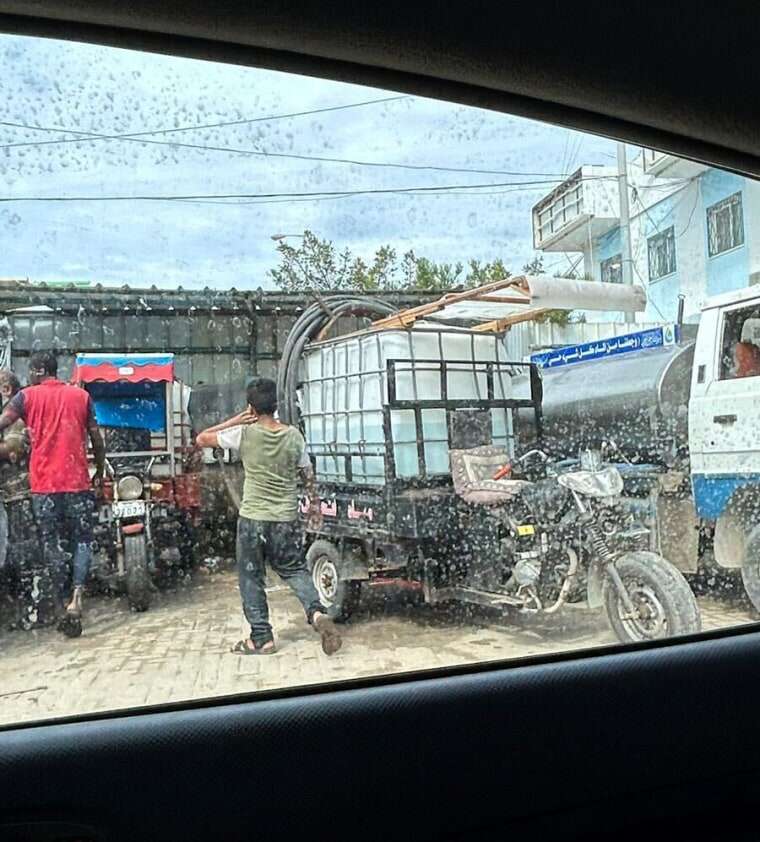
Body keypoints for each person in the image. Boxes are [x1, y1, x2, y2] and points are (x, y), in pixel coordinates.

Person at [196, 377, 342, 656]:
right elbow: (308, 475)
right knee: (294, 569)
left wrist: (236, 420)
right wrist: (313, 506)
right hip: (285, 518)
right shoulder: (294, 436)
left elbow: (201, 438)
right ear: (276, 405)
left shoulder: (244, 434)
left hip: (253, 519)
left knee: (251, 577)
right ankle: (317, 613)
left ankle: (261, 638)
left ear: (251, 407)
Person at [0, 351, 106, 637]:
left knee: (52, 543)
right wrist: (100, 469)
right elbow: (96, 437)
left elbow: (3, 421)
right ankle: (77, 595)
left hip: (44, 486)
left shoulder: (27, 397)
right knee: (82, 540)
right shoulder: (80, 397)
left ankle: (62, 602)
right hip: (78, 482)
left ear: (37, 371)